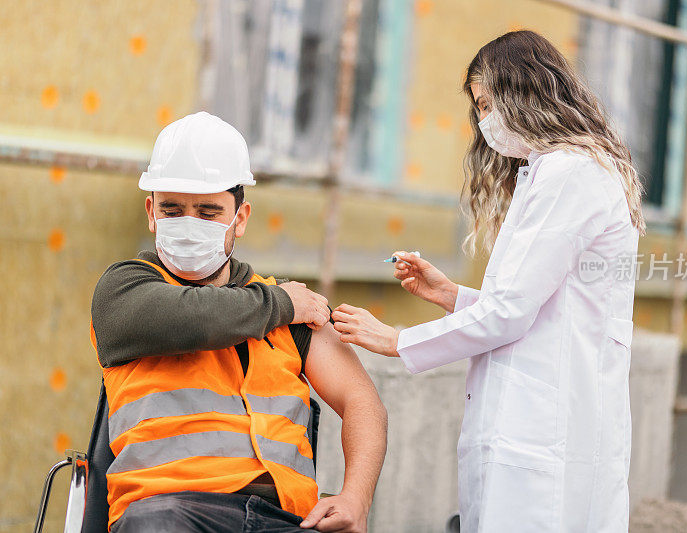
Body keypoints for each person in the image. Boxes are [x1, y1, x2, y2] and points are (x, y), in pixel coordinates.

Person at [331, 31, 644, 532]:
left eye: (487, 102)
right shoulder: (555, 172)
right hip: (538, 421)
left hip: (548, 431)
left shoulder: (569, 173)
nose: (484, 120)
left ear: (527, 89)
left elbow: (511, 312)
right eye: (478, 108)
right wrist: (451, 295)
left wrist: (397, 340)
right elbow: (544, 308)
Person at [90, 112, 387, 533]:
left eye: (208, 212)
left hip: (285, 520)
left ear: (240, 218)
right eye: (172, 209)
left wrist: (356, 497)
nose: (189, 224)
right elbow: (192, 315)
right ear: (150, 212)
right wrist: (282, 303)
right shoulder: (125, 291)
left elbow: (361, 400)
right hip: (169, 511)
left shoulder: (293, 311)